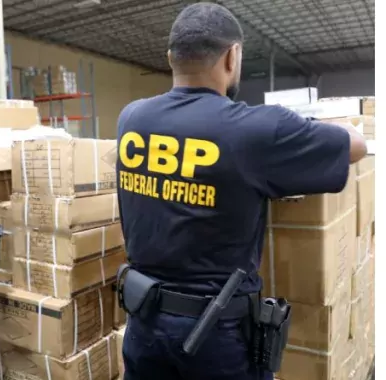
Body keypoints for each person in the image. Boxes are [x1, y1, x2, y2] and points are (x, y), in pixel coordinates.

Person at [116, 3, 367, 380]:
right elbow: (356, 146)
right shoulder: (255, 131)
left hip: (144, 325)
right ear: (232, 57)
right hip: (214, 339)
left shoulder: (131, 118)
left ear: (171, 58)